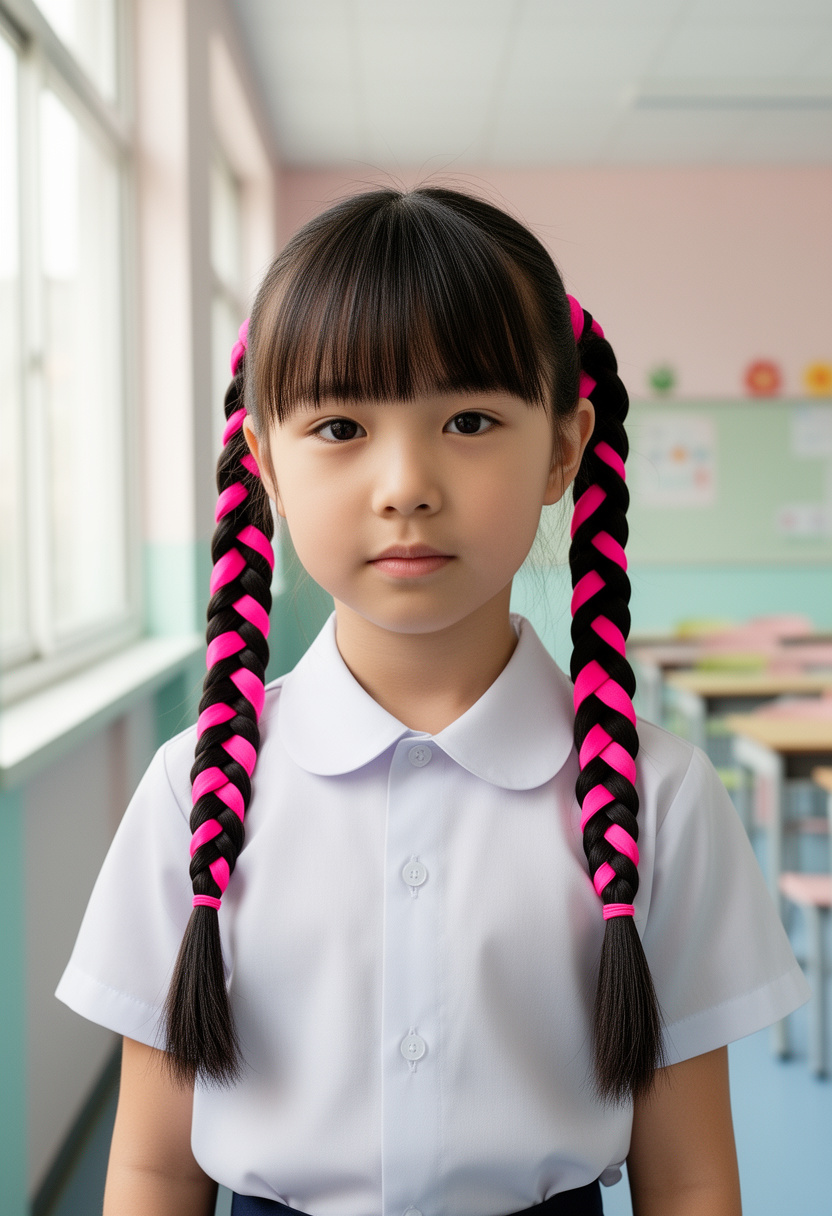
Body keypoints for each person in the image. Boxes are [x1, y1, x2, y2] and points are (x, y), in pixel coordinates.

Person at [57, 186, 809, 1216]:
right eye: (339, 425)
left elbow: (686, 1179)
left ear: (562, 446)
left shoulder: (660, 796)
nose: (404, 482)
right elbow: (152, 1168)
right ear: (268, 464)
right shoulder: (193, 789)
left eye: (467, 419)